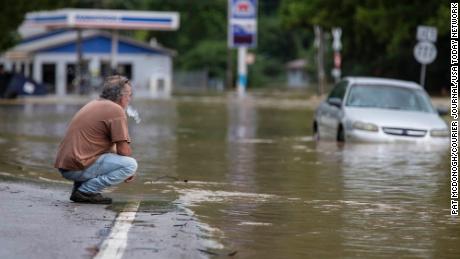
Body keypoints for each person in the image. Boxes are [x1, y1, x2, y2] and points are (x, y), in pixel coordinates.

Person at [54, 75, 137, 204]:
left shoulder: (95, 103)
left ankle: (80, 190)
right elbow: (124, 150)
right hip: (76, 167)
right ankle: (86, 191)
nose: (130, 99)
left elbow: (112, 148)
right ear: (122, 96)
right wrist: (129, 171)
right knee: (130, 165)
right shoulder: (116, 110)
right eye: (129, 95)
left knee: (108, 156)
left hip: (67, 165)